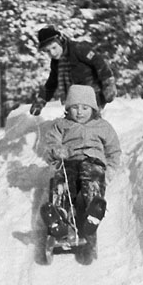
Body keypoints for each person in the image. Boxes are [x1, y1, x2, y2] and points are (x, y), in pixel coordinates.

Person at [39, 84, 122, 263]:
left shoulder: (103, 126)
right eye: (75, 107)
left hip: (93, 161)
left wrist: (110, 171)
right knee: (62, 181)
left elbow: (114, 151)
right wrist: (56, 151)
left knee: (92, 177)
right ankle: (59, 220)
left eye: (85, 108)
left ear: (93, 108)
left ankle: (92, 213)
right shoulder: (61, 125)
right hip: (68, 160)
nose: (79, 112)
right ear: (68, 108)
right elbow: (48, 147)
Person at [30, 26, 117, 116]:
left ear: (60, 41)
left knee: (88, 121)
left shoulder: (78, 49)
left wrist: (108, 84)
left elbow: (99, 62)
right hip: (74, 100)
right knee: (73, 124)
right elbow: (51, 83)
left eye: (54, 48)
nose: (52, 53)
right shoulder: (56, 63)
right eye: (47, 51)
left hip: (92, 95)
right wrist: (40, 101)